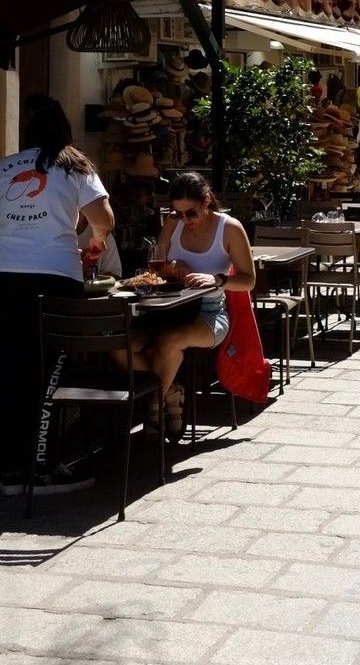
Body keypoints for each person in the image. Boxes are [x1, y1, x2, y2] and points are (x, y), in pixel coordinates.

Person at [0, 97, 115, 494]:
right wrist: (95, 242)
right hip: (55, 279)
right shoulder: (75, 166)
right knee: (49, 375)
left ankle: (10, 471)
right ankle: (44, 468)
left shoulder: (4, 167)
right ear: (64, 134)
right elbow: (105, 219)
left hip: (5, 278)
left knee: (10, 371)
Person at [123, 172, 255, 440]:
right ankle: (171, 391)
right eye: (177, 213)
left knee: (168, 341)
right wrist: (174, 266)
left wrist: (217, 280)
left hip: (209, 311)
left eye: (190, 213)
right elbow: (157, 263)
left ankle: (152, 406)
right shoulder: (175, 223)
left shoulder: (229, 228)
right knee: (119, 345)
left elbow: (248, 280)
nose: (184, 219)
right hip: (166, 308)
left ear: (207, 201)